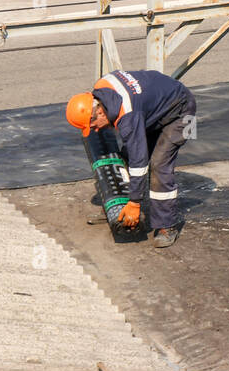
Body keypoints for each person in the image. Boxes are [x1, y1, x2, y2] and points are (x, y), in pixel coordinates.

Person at [65, 69, 196, 249]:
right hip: (155, 110)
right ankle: (119, 209)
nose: (94, 130)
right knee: (126, 156)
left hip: (183, 112)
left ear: (100, 112)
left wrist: (135, 202)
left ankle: (166, 225)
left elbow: (140, 162)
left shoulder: (127, 114)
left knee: (158, 165)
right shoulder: (102, 89)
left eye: (92, 125)